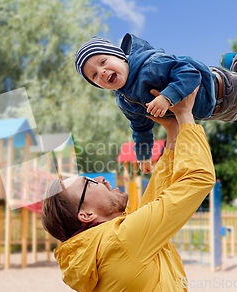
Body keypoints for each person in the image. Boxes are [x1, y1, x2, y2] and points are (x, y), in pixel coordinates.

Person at [41, 87, 216, 292]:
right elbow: (198, 178)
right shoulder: (120, 241)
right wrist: (185, 115)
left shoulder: (98, 249)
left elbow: (155, 201)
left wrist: (173, 132)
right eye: (89, 183)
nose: (100, 179)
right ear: (87, 214)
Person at [74, 33, 237, 173]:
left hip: (224, 87)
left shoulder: (151, 65)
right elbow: (140, 127)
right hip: (209, 111)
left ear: (120, 56)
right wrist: (143, 154)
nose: (101, 72)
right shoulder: (125, 101)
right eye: (94, 75)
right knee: (236, 114)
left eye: (102, 62)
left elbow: (190, 72)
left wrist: (167, 97)